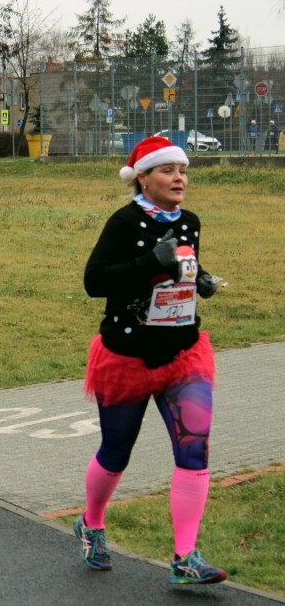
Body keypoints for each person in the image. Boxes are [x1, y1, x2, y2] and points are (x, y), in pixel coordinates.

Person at [74, 136, 226, 585]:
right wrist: (147, 262)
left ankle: (185, 557)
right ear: (143, 177)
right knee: (117, 452)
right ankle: (93, 521)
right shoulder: (123, 222)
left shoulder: (191, 222)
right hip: (127, 356)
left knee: (193, 448)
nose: (179, 178)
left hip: (183, 353)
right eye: (168, 170)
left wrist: (201, 282)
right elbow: (94, 281)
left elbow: (181, 269)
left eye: (183, 171)